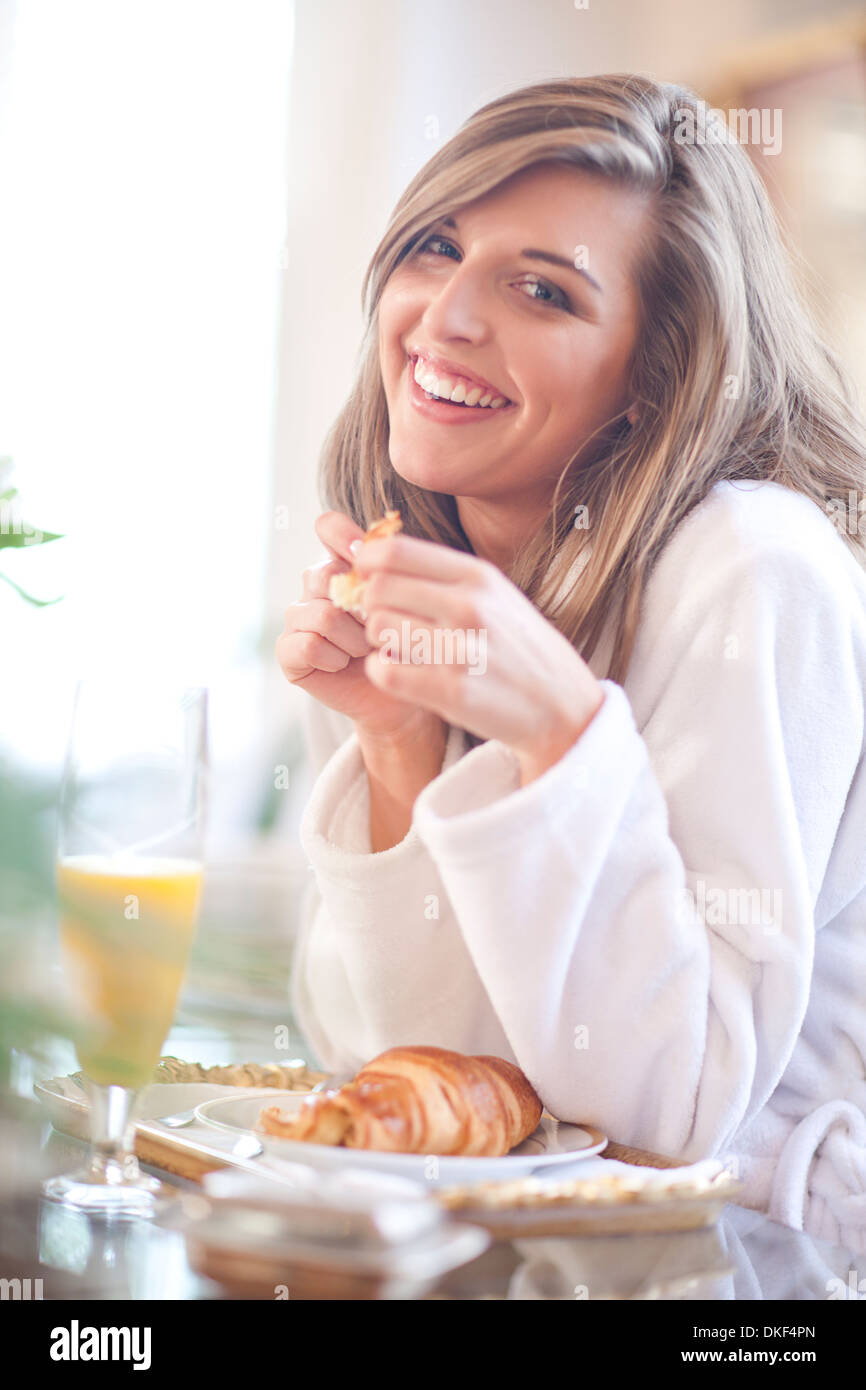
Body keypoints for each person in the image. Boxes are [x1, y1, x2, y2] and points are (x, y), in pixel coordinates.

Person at [275, 75, 866, 1250]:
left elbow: (669, 1111)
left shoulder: (751, 568)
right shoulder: (419, 570)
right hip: (517, 1256)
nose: (444, 316)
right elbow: (419, 1084)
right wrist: (397, 749)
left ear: (653, 382)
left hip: (742, 1269)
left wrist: (559, 733)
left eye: (543, 291)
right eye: (436, 247)